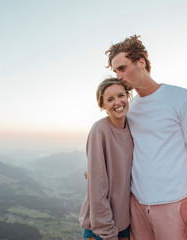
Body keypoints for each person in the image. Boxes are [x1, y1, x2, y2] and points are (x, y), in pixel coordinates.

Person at [105, 35, 187, 240]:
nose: (118, 76)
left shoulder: (181, 98)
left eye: (122, 68)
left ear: (141, 62)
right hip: (136, 206)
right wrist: (99, 168)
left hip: (173, 205)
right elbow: (123, 148)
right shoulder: (129, 108)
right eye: (115, 71)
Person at [79, 78, 133, 240]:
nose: (117, 102)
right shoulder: (99, 130)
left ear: (128, 97)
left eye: (121, 95)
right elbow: (97, 188)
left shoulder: (132, 127)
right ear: (103, 106)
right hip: (102, 229)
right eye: (110, 99)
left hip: (124, 222)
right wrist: (107, 232)